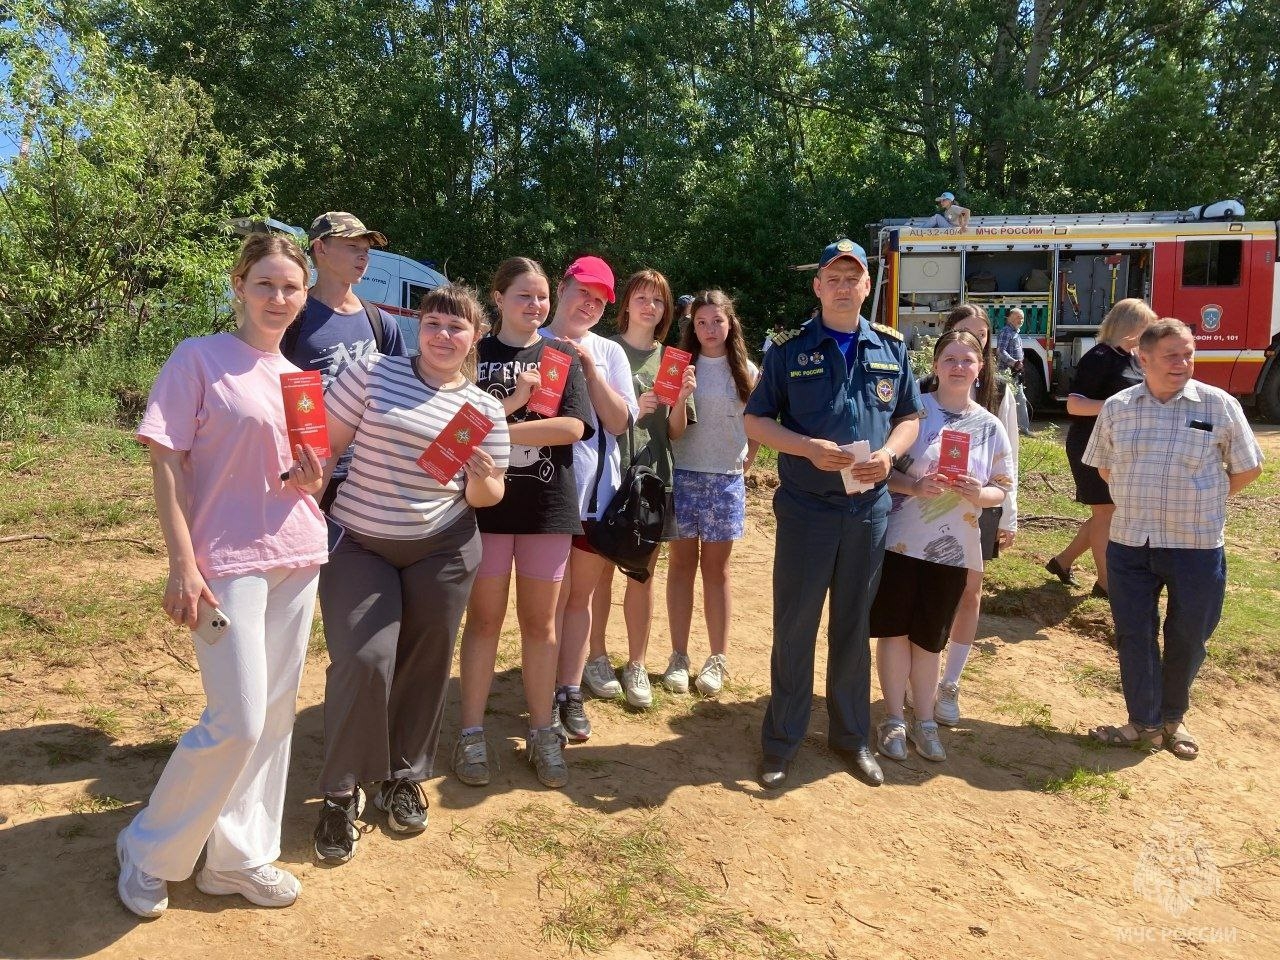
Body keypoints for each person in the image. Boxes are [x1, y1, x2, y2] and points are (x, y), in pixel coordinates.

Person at [117, 234, 328, 918]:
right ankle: (147, 849)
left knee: (270, 720)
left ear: (304, 296)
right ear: (239, 284)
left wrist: (310, 480)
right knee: (234, 719)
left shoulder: (297, 379)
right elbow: (167, 462)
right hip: (224, 565)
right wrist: (181, 563)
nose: (278, 298)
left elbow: (300, 483)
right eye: (265, 283)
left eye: (291, 287)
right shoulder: (198, 358)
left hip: (296, 555)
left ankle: (237, 860)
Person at [311, 284, 509, 864]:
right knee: (364, 659)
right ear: (418, 327)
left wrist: (479, 476)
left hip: (441, 551)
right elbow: (327, 448)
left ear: (475, 337)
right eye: (434, 324)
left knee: (425, 663)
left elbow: (488, 495)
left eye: (457, 327)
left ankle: (402, 775)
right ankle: (341, 792)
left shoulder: (483, 410)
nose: (443, 336)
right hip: (360, 544)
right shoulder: (372, 374)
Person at [744, 238, 922, 789]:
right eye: (834, 278)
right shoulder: (788, 347)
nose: (844, 287)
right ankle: (782, 742)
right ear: (818, 286)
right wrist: (805, 448)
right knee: (795, 628)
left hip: (867, 512)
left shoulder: (891, 347)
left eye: (854, 278)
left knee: (852, 626)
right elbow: (756, 422)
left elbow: (910, 416)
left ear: (868, 286)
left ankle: (851, 738)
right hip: (806, 510)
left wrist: (890, 454)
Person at [1085, 319, 1262, 759]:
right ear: (1143, 358)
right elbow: (1105, 467)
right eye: (1171, 355)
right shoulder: (1119, 407)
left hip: (1196, 545)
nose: (1182, 363)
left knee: (1188, 636)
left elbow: (1248, 467)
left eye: (1188, 354)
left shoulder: (1218, 405)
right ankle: (1141, 723)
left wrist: (1204, 498)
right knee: (1134, 634)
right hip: (1130, 543)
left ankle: (1173, 721)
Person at [453, 258, 593, 789]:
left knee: (541, 627)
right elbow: (454, 427)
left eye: (540, 297)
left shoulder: (561, 356)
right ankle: (469, 732)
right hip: (484, 511)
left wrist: (494, 431)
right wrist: (516, 416)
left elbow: (574, 427)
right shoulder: (474, 354)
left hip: (546, 510)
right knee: (483, 623)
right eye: (522, 296)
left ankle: (541, 733)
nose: (533, 306)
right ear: (498, 297)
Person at [871, 330, 1013, 762]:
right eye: (949, 359)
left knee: (930, 639)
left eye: (967, 360)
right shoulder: (915, 414)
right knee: (894, 632)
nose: (957, 367)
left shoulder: (989, 426)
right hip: (899, 542)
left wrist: (979, 493)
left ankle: (925, 719)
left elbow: (1002, 489)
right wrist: (915, 486)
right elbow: (882, 472)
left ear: (981, 367)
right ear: (934, 365)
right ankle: (894, 718)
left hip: (953, 551)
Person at [586, 269, 696, 709]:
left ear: (666, 311)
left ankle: (635, 664)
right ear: (626, 304)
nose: (649, 306)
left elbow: (675, 432)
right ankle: (594, 657)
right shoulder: (603, 350)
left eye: (658, 301)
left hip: (652, 481)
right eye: (641, 298)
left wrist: (677, 400)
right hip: (608, 477)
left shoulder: (672, 360)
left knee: (641, 574)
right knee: (597, 576)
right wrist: (635, 406)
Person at [544, 256, 639, 741]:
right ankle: (542, 692)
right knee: (543, 603)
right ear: (562, 287)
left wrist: (590, 369)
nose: (589, 304)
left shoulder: (610, 352)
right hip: (538, 495)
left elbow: (622, 422)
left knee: (577, 598)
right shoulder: (531, 339)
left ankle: (567, 689)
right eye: (583, 291)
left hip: (593, 496)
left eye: (600, 300)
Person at [918, 306, 1019, 726]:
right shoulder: (922, 392)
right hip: (923, 510)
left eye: (981, 336)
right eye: (962, 334)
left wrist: (1008, 517)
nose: (971, 343)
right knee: (924, 592)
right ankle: (918, 677)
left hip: (978, 507)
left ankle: (949, 684)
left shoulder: (999, 394)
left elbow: (1010, 460)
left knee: (969, 592)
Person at [663, 289, 760, 697]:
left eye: (716, 321)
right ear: (691, 325)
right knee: (681, 566)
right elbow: (672, 432)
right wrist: (681, 398)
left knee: (717, 572)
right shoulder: (680, 367)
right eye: (700, 322)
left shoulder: (747, 371)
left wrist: (748, 459)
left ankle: (717, 657)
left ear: (730, 323)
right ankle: (679, 656)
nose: (709, 329)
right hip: (683, 475)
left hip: (724, 481)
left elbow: (759, 422)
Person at [282, 212, 407, 512]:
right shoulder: (291, 318)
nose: (363, 255)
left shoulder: (380, 322)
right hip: (305, 470)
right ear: (320, 248)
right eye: (353, 246)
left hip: (365, 473)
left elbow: (398, 394)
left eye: (366, 249)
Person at [1045, 298, 1157, 595]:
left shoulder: (1131, 358)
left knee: (1107, 513)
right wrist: (1119, 406)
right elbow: (1074, 405)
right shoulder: (1099, 356)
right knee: (1106, 512)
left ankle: (1062, 561)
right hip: (1090, 446)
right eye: (1148, 327)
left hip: (1118, 448)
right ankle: (1107, 584)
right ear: (1133, 326)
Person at [995, 307, 1033, 436]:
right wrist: (1014, 363)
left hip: (1014, 373)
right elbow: (1000, 351)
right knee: (1015, 400)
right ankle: (1021, 429)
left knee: (1019, 399)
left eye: (1022, 318)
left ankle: (1021, 429)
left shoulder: (1015, 332)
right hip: (1007, 373)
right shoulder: (1006, 332)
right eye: (1018, 317)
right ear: (1009, 317)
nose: (1021, 320)